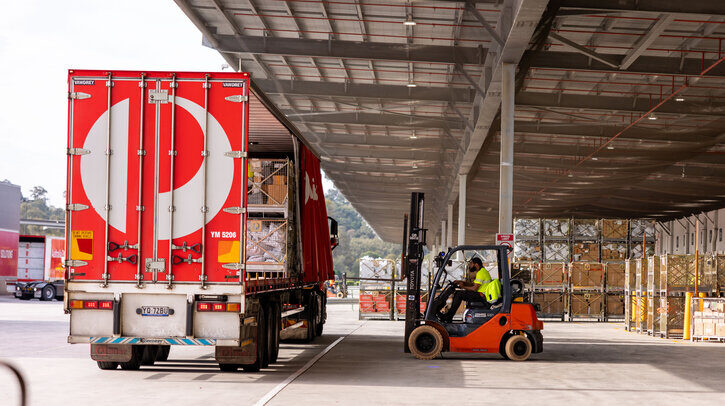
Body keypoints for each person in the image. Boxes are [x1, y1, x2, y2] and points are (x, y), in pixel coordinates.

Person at [441, 257, 501, 322]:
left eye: (471, 264)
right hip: (480, 294)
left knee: (459, 294)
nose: (469, 266)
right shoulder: (481, 272)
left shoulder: (481, 273)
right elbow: (473, 284)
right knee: (459, 293)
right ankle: (449, 315)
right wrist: (461, 282)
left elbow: (474, 288)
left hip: (481, 296)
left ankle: (449, 317)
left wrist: (463, 286)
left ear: (476, 265)